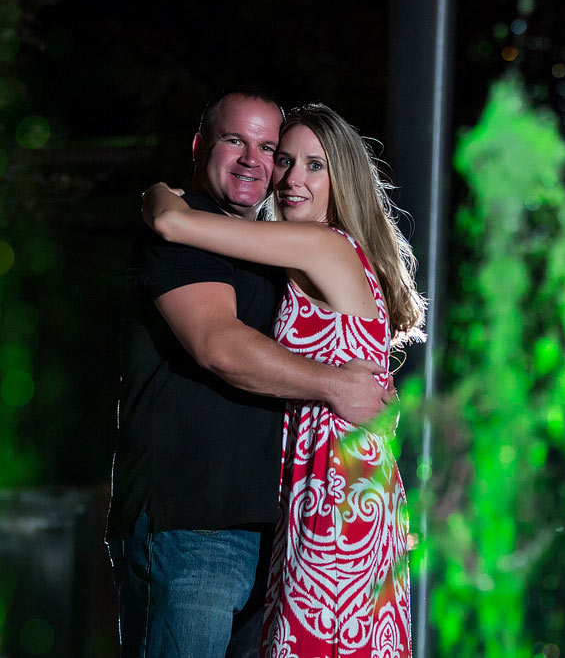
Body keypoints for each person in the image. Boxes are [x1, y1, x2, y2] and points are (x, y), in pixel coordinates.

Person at [107, 91, 394, 658]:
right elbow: (219, 344)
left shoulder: (321, 246)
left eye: (311, 164)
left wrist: (165, 205)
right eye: (282, 158)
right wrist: (164, 200)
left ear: (346, 180)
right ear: (202, 146)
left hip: (331, 501)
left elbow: (173, 222)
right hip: (239, 514)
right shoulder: (281, 257)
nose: (283, 174)